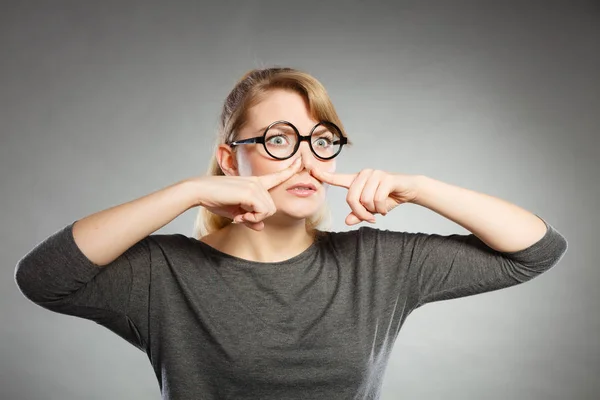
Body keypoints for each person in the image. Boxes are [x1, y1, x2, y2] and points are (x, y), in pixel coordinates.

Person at [14, 67, 568, 400]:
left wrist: (419, 187)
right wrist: (185, 192)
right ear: (231, 161)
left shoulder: (375, 264)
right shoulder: (165, 273)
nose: (306, 161)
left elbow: (536, 251)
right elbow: (42, 278)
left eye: (320, 140)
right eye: (280, 139)